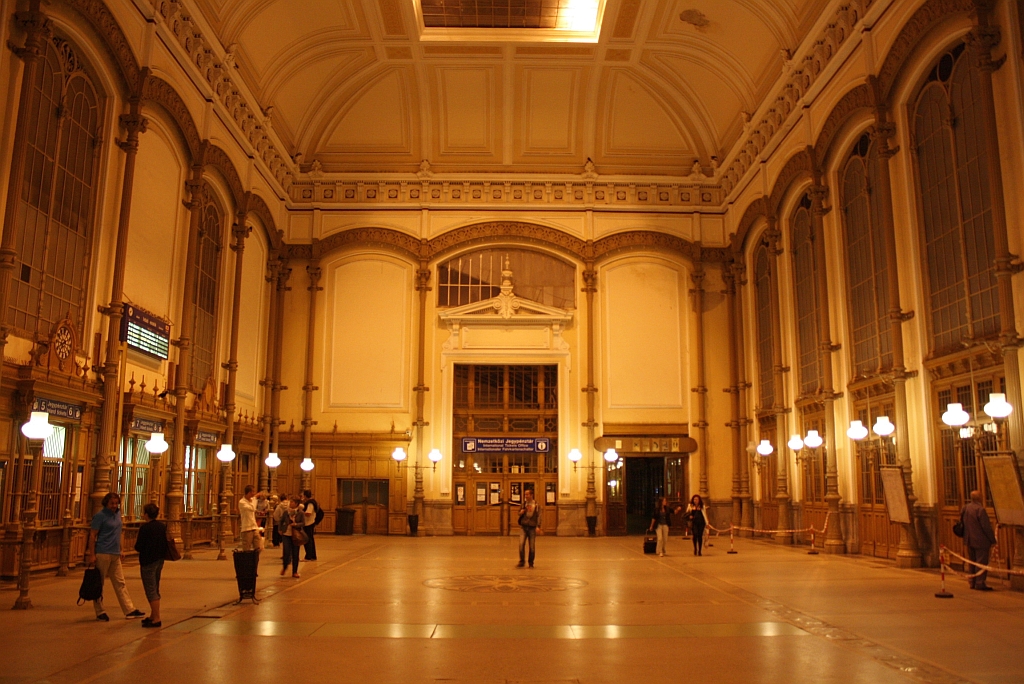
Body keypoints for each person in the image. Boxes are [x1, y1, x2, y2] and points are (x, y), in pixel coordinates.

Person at [84, 492, 145, 621]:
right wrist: (92, 554)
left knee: (120, 582)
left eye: (116, 503)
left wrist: (121, 549)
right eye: (112, 503)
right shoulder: (100, 516)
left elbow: (118, 533)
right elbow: (93, 535)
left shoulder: (117, 514)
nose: (114, 505)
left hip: (115, 553)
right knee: (98, 583)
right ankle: (100, 611)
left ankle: (129, 609)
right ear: (106, 503)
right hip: (103, 552)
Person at [133, 503, 167, 628]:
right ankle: (153, 615)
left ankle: (156, 618)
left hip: (148, 561)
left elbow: (139, 546)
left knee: (150, 589)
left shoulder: (145, 528)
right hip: (159, 560)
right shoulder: (162, 526)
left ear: (146, 514)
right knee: (155, 586)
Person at [961, 490, 997, 591]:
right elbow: (986, 527)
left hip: (969, 539)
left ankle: (972, 582)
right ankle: (980, 583)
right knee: (981, 562)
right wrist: (992, 540)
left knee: (972, 562)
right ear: (979, 498)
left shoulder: (966, 508)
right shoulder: (980, 510)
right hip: (980, 541)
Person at [279, 496, 304, 578]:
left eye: (292, 502)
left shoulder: (300, 513)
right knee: (286, 552)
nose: (290, 503)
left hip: (295, 535)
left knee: (295, 553)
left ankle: (295, 572)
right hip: (286, 534)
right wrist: (280, 529)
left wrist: (296, 524)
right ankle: (285, 567)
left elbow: (303, 523)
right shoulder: (286, 512)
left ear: (296, 504)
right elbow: (281, 520)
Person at [516, 488, 541, 568]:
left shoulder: (536, 505)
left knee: (532, 546)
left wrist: (538, 526)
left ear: (531, 495)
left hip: (532, 528)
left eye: (527, 494)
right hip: (524, 527)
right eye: (525, 494)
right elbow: (518, 513)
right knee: (521, 544)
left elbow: (539, 516)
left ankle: (531, 563)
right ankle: (522, 561)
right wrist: (521, 512)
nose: (525, 496)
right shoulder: (523, 504)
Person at [238, 485, 258, 551]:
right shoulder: (242, 502)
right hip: (247, 528)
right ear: (249, 493)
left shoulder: (253, 500)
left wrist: (254, 499)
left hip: (254, 527)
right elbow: (252, 508)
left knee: (259, 547)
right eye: (253, 491)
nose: (254, 493)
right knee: (246, 548)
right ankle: (247, 561)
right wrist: (255, 499)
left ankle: (254, 560)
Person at [300, 489, 318, 561]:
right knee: (310, 539)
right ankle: (313, 556)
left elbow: (308, 513)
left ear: (305, 495)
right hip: (310, 522)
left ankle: (308, 556)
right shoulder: (310, 502)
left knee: (308, 540)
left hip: (308, 523)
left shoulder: (310, 503)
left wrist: (301, 512)